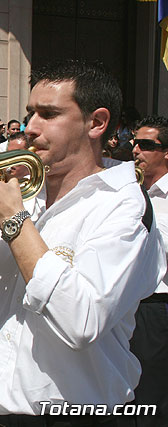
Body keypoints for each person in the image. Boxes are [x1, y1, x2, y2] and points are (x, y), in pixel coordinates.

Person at [0, 59, 165, 426]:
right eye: (29, 113)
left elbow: (82, 321)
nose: (29, 128)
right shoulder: (26, 193)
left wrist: (13, 221)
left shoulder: (124, 204)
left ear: (97, 123)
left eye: (48, 114)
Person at [129, 115, 168, 426]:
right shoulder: (129, 188)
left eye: (145, 145)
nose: (136, 150)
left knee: (151, 397)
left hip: (156, 306)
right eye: (134, 142)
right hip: (126, 304)